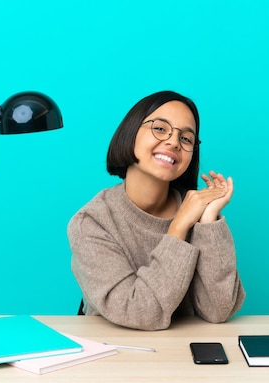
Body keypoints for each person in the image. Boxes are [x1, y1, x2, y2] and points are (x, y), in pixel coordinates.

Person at [68, 90, 245, 330]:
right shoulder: (92, 223)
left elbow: (218, 309)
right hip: (113, 353)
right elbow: (140, 313)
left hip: (182, 353)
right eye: (160, 128)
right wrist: (178, 227)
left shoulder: (195, 210)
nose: (173, 142)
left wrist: (208, 222)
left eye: (186, 139)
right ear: (130, 133)